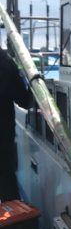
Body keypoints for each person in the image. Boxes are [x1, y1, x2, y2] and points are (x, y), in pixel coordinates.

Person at [0, 48, 29, 201]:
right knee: (7, 185)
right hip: (3, 138)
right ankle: (14, 223)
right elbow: (23, 100)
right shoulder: (7, 63)